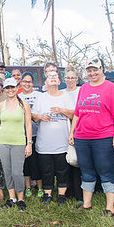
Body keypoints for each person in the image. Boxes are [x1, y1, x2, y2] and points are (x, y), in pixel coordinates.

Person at [68, 58, 114, 216]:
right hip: (82, 137)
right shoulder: (84, 88)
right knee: (86, 170)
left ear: (101, 69)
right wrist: (72, 132)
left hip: (104, 136)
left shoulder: (110, 87)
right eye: (89, 71)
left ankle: (110, 207)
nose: (92, 73)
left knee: (106, 171)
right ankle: (87, 204)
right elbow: (77, 113)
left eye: (95, 70)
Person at [0, 78, 32, 210]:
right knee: (7, 171)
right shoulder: (1, 105)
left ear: (17, 88)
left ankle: (20, 198)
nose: (10, 90)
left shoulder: (24, 104)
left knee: (17, 172)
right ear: (4, 89)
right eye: (7, 88)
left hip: (18, 142)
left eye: (12, 87)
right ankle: (12, 198)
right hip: (3, 141)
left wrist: (29, 143)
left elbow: (28, 124)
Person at [32, 72, 71, 205]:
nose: (53, 78)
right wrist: (40, 116)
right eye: (50, 77)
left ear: (59, 81)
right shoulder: (41, 98)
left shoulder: (66, 96)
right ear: (46, 83)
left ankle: (61, 195)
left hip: (62, 142)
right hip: (45, 143)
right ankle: (47, 194)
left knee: (62, 170)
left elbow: (74, 114)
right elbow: (33, 116)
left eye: (55, 76)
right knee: (46, 170)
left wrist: (62, 110)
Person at [18, 72, 42, 198]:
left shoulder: (39, 96)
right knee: (25, 162)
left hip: (37, 133)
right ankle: (27, 187)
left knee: (36, 162)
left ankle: (40, 187)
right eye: (25, 81)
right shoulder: (17, 96)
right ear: (21, 82)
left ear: (33, 83)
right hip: (22, 134)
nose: (27, 84)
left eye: (29, 82)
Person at [63, 67, 82, 202]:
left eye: (73, 78)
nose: (70, 80)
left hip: (79, 129)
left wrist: (64, 111)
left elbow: (78, 112)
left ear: (77, 79)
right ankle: (67, 191)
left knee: (77, 162)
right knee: (66, 160)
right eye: (68, 78)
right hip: (64, 129)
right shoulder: (62, 93)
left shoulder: (81, 91)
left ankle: (79, 193)